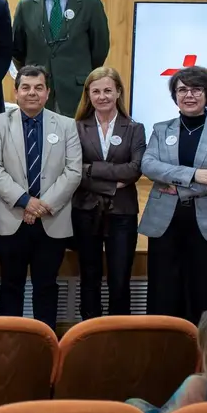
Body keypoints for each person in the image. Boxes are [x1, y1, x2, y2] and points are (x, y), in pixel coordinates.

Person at [0, 65, 82, 330]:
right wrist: (26, 201)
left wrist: (41, 205)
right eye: (25, 87)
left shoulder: (66, 125)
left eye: (38, 87)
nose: (32, 93)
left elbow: (73, 171)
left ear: (47, 93)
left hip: (52, 219)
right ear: (15, 92)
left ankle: (46, 344)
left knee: (46, 285)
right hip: (11, 217)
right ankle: (10, 342)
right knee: (11, 284)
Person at [139, 66, 207, 325]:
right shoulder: (161, 129)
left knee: (206, 295)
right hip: (166, 224)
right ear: (175, 95)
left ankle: (204, 357)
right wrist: (195, 175)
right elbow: (149, 165)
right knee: (163, 295)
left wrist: (179, 184)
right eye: (182, 89)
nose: (189, 95)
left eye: (196, 89)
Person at [71, 67, 146, 319]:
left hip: (122, 214)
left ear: (118, 93)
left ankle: (118, 335)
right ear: (88, 95)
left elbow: (135, 169)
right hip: (85, 211)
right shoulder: (77, 127)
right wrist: (113, 183)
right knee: (89, 276)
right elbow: (74, 170)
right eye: (96, 91)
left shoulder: (135, 128)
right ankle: (89, 332)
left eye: (107, 90)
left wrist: (92, 169)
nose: (102, 96)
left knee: (119, 278)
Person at [12, 0, 110, 115]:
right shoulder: (25, 6)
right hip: (37, 92)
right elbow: (17, 51)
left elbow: (100, 49)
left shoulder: (90, 4)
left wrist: (78, 72)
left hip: (76, 93)